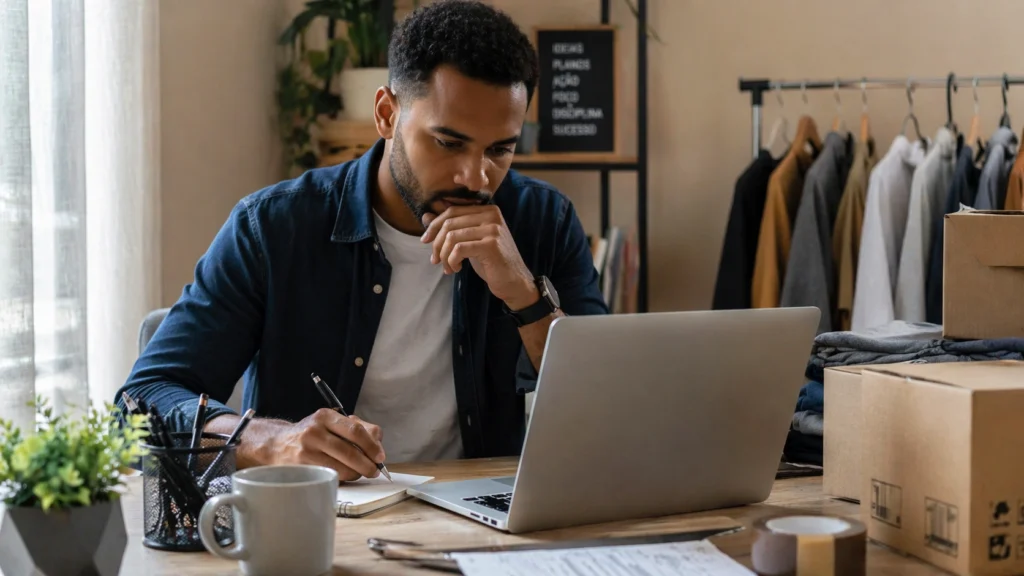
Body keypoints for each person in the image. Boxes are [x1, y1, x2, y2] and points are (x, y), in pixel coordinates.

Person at [116, 0, 607, 482]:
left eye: (500, 149)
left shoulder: (544, 221)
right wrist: (269, 443)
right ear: (386, 114)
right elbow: (138, 409)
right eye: (448, 142)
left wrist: (525, 296)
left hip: (484, 525)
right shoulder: (273, 228)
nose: (475, 176)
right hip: (319, 524)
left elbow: (607, 414)